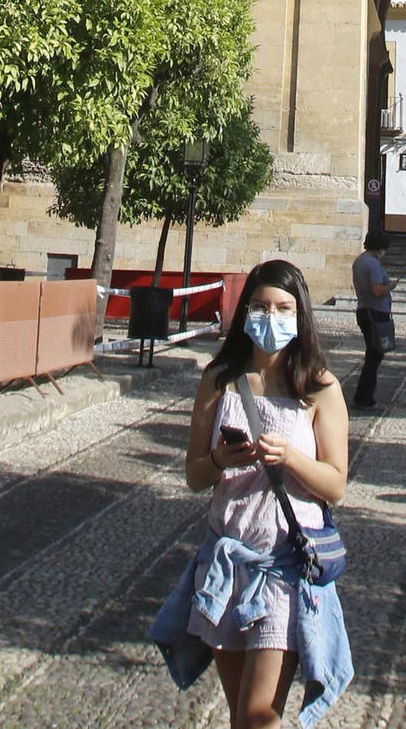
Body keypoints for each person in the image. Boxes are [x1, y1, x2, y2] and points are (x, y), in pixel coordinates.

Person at [152, 260, 354, 729]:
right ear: (245, 311)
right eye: (261, 306)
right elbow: (195, 475)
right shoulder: (219, 378)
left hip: (284, 569)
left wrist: (290, 458)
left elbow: (336, 484)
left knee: (258, 716)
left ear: (300, 315)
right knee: (240, 716)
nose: (271, 317)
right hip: (225, 566)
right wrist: (223, 459)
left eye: (284, 308)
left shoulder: (319, 389)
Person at [350, 232, 397, 410]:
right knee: (375, 356)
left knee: (372, 354)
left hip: (364, 309)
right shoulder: (373, 264)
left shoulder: (360, 260)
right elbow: (377, 290)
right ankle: (365, 397)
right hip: (376, 312)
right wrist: (390, 286)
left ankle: (363, 395)